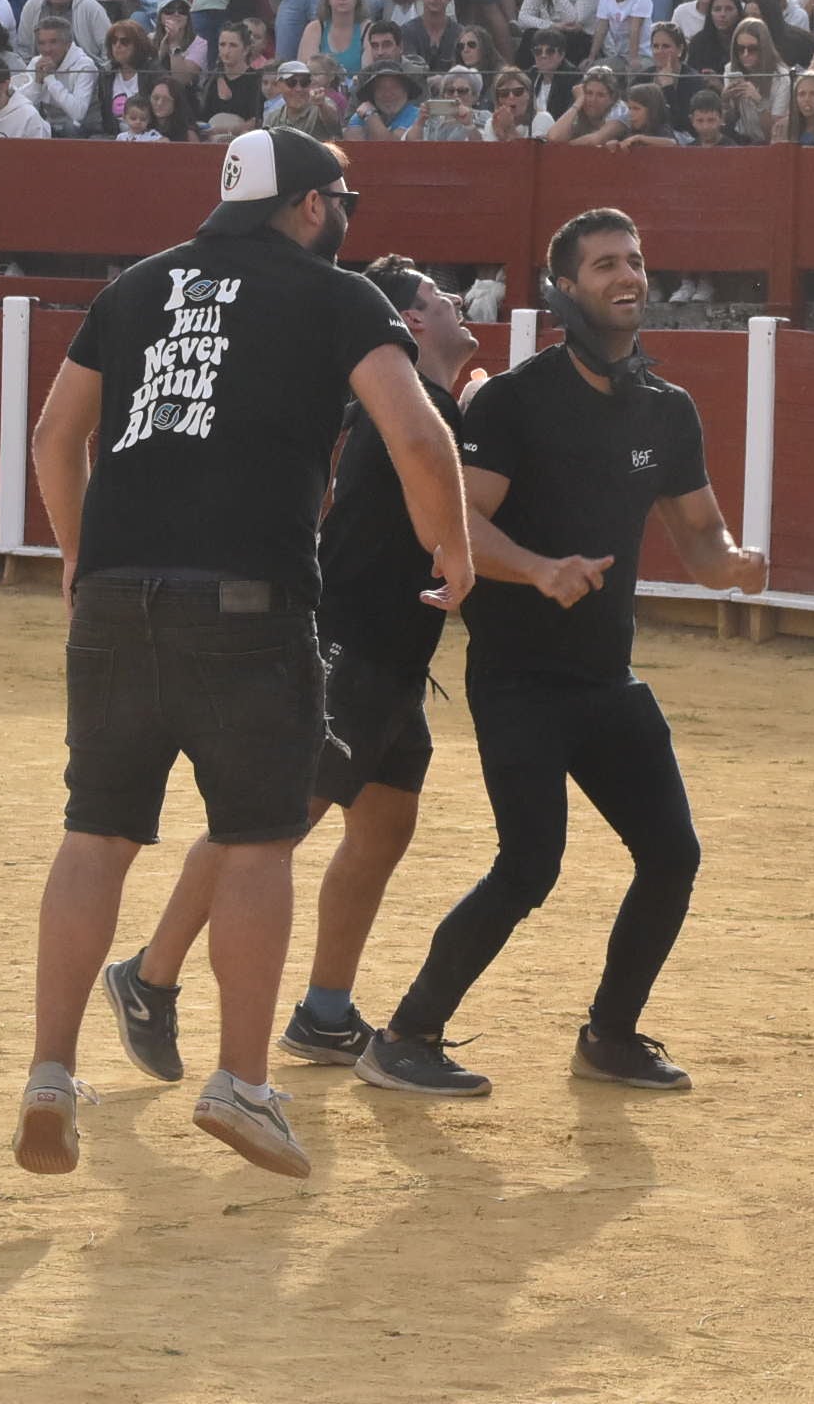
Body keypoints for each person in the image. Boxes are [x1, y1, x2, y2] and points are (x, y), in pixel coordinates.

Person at [18, 129, 472, 1180]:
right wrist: (452, 545)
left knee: (95, 834)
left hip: (117, 599)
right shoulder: (336, 294)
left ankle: (49, 1070)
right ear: (310, 206)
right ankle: (241, 1081)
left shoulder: (134, 288)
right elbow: (413, 433)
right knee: (259, 839)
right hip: (250, 603)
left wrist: (85, 556)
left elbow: (53, 436)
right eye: (340, 198)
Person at [357, 210, 765, 1101]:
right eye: (606, 264)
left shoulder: (666, 406)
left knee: (672, 854)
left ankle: (611, 1037)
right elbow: (456, 526)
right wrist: (540, 570)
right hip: (520, 679)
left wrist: (731, 565)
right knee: (530, 862)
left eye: (637, 261)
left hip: (606, 678)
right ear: (566, 288)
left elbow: (699, 535)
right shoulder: (516, 400)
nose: (629, 277)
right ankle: (406, 1035)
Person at [100, 256, 483, 1085]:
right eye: (438, 296)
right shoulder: (404, 411)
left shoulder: (397, 405)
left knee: (383, 826)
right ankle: (148, 975)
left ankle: (325, 1014)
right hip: (350, 648)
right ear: (412, 325)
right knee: (267, 828)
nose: (457, 302)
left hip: (389, 657)